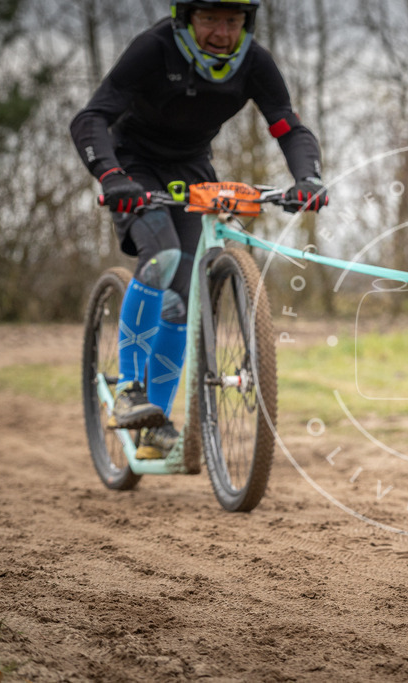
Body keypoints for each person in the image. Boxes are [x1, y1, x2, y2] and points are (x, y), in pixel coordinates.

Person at [71, 0, 327, 459]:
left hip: (192, 168)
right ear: (186, 18)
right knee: (163, 257)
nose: (221, 32)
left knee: (187, 286)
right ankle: (129, 389)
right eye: (210, 18)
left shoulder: (254, 62)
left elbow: (288, 126)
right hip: (134, 165)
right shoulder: (154, 48)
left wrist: (307, 180)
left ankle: (153, 423)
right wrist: (111, 176)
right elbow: (91, 119)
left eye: (232, 21)